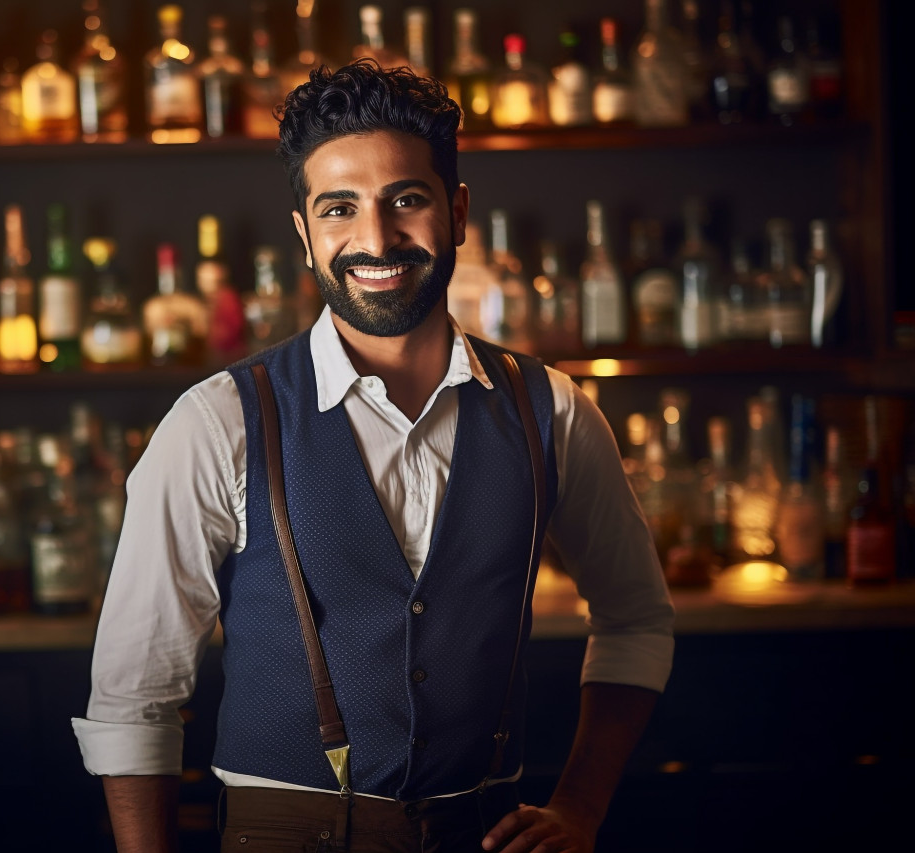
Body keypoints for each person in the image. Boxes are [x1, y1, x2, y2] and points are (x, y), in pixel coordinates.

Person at [73, 60, 674, 853]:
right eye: (339, 209)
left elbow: (636, 620)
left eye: (408, 199)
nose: (376, 238)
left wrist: (582, 807)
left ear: (457, 212)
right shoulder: (217, 421)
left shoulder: (553, 409)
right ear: (305, 235)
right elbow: (136, 694)